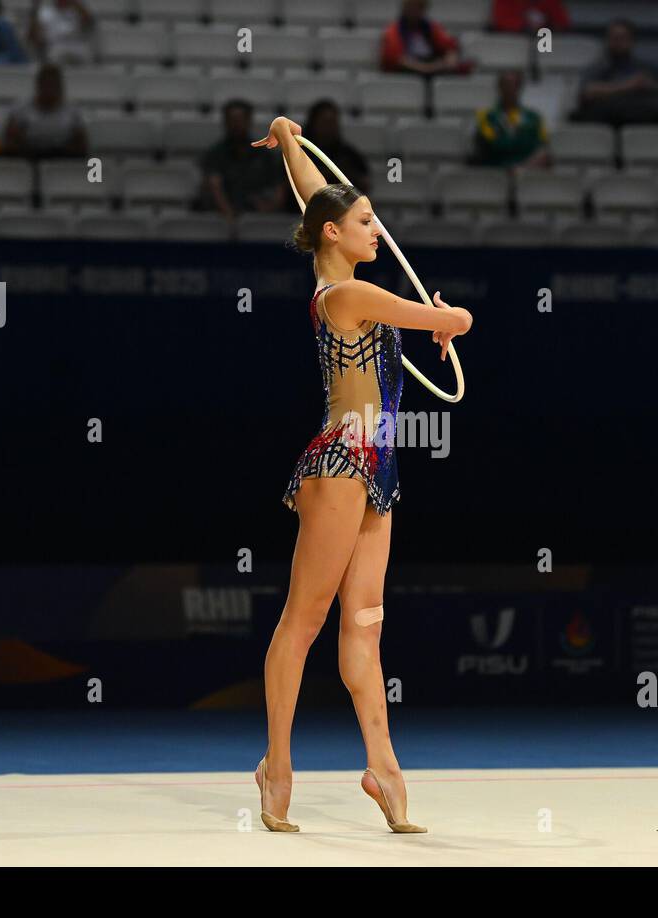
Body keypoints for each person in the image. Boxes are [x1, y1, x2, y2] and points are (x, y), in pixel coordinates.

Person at [247, 114, 473, 834]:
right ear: (336, 236)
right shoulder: (346, 297)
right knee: (303, 620)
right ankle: (276, 765)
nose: (379, 231)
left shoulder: (333, 269)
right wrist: (443, 317)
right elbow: (463, 321)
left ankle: (383, 766)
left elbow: (316, 197)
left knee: (366, 628)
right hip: (341, 463)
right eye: (368, 221)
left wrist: (288, 143)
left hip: (378, 470)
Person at [573, 18, 658, 125]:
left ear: (632, 41)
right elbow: (587, 92)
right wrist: (628, 86)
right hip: (607, 119)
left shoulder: (646, 67)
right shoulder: (599, 68)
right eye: (613, 38)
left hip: (641, 118)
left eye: (622, 38)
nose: (617, 42)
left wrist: (651, 86)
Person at [196, 99, 286, 219]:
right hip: (224, 215)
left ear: (249, 121)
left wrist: (268, 210)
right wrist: (229, 215)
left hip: (260, 214)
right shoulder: (215, 154)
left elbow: (278, 187)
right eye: (232, 120)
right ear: (225, 122)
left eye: (240, 120)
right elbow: (214, 186)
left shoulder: (264, 153)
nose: (236, 124)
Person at [3, 63, 87, 159]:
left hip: (62, 160)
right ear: (38, 86)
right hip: (29, 159)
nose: (49, 90)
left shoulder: (72, 111)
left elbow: (81, 146)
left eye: (53, 85)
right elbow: (10, 143)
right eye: (46, 85)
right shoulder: (20, 109)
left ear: (60, 87)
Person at [472, 70, 551, 168]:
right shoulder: (486, 116)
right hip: (496, 170)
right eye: (506, 84)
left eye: (515, 85)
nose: (510, 89)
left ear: (520, 88)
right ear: (499, 87)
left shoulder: (534, 117)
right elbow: (494, 146)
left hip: (528, 171)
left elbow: (542, 145)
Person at [380, 0, 474, 76]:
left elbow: (449, 47)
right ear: (405, 8)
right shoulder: (394, 30)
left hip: (432, 67)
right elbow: (395, 59)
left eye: (418, 7)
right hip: (407, 72)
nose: (414, 11)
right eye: (411, 7)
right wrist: (425, 68)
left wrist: (450, 58)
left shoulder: (431, 27)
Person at [300, 99, 372, 196]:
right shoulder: (299, 152)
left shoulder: (347, 153)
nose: (329, 127)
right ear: (313, 123)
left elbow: (365, 184)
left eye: (333, 122)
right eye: (325, 122)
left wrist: (348, 173)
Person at [27, 0, 96, 66]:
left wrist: (75, 4)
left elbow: (89, 22)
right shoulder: (45, 12)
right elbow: (33, 35)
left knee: (87, 58)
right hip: (55, 46)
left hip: (77, 44)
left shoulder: (77, 10)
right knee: (54, 59)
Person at [491, 0, 570, 33]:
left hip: (547, 48)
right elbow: (501, 21)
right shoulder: (505, 1)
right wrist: (524, 25)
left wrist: (547, 25)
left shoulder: (550, 2)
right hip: (513, 51)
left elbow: (563, 23)